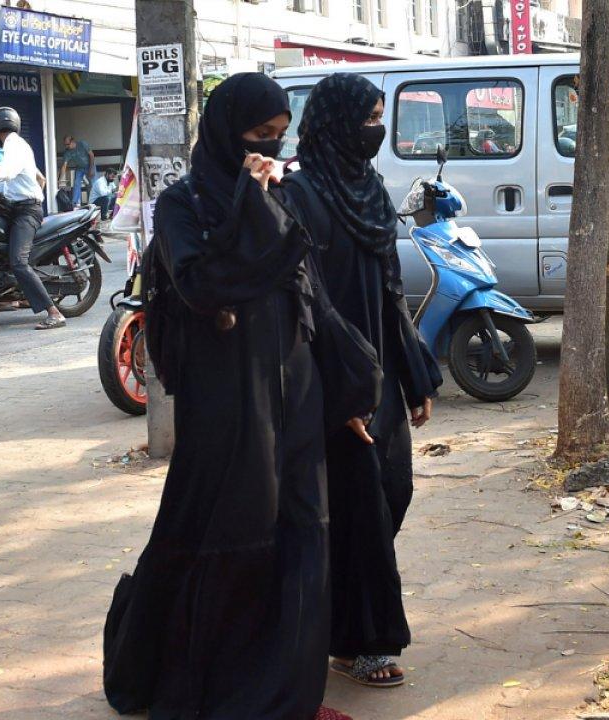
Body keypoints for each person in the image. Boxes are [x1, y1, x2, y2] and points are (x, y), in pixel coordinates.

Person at [100, 73, 358, 720]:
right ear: (224, 132)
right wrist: (248, 198)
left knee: (303, 533)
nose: (269, 150)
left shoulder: (282, 196)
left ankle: (286, 697)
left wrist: (354, 385)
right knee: (226, 534)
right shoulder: (185, 205)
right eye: (257, 137)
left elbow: (313, 300)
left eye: (278, 137)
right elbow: (201, 285)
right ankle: (207, 682)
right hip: (226, 398)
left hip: (292, 390)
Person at [283, 72, 442, 689]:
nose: (377, 129)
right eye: (369, 117)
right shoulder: (298, 196)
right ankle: (366, 640)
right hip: (330, 378)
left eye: (380, 116)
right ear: (336, 124)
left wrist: (413, 370)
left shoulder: (370, 189)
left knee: (392, 490)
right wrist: (341, 385)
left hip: (378, 374)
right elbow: (304, 302)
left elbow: (390, 290)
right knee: (360, 509)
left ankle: (338, 622)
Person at [0, 108, 66, 330]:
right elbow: (40, 178)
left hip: (25, 212)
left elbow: (8, 171)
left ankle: (54, 313)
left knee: (19, 261)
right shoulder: (15, 146)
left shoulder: (14, 146)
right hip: (15, 209)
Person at [59, 134, 95, 207]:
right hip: (80, 168)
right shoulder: (67, 152)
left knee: (92, 184)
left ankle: (93, 202)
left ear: (72, 141)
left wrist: (91, 169)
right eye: (65, 145)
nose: (66, 146)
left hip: (90, 165)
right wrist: (60, 180)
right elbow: (64, 166)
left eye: (67, 144)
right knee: (76, 183)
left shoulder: (82, 144)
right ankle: (75, 203)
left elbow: (91, 155)